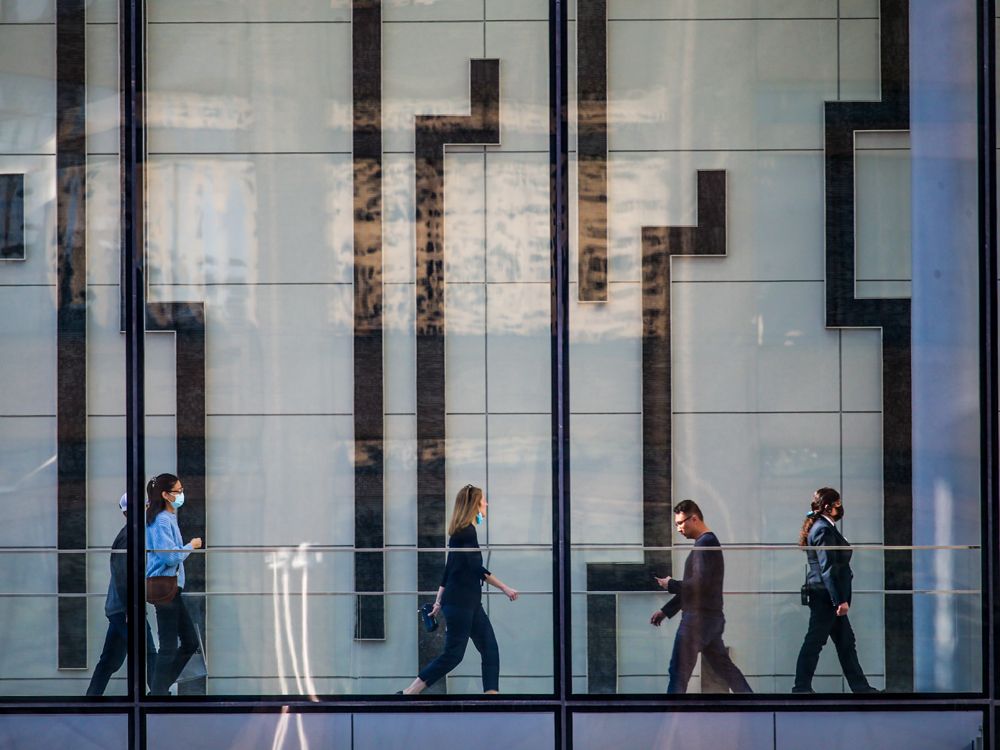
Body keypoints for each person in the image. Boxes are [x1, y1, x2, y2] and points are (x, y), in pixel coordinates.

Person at [399, 484, 518, 695]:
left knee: (490, 649)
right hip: (462, 604)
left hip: (469, 604)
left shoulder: (461, 533)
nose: (487, 504)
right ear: (475, 504)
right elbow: (476, 568)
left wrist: (437, 602)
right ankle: (410, 692)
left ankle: (491, 696)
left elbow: (449, 570)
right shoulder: (466, 533)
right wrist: (505, 588)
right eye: (483, 500)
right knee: (454, 654)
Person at [650, 499, 752, 694]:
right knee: (725, 669)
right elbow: (698, 589)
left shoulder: (704, 544)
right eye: (676, 524)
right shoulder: (707, 543)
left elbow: (698, 586)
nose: (678, 528)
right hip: (710, 618)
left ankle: (673, 714)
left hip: (697, 620)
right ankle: (751, 702)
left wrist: (670, 584)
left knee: (678, 671)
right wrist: (665, 611)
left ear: (694, 518)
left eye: (681, 523)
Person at [792, 487, 878, 693]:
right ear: (829, 507)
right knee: (815, 641)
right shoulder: (822, 529)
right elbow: (828, 568)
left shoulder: (824, 527)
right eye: (838, 504)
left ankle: (861, 688)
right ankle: (801, 687)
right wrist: (839, 600)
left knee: (846, 642)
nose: (840, 508)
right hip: (826, 597)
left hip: (826, 595)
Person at [85, 493, 157, 696]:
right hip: (125, 608)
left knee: (109, 661)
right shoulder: (130, 536)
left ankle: (91, 700)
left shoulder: (132, 533)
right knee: (148, 651)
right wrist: (130, 607)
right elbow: (122, 573)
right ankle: (160, 698)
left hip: (119, 607)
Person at [145, 473, 203, 695]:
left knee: (188, 642)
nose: (181, 495)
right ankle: (157, 693)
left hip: (172, 588)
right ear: (165, 495)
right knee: (170, 644)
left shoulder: (167, 518)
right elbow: (168, 557)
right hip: (164, 588)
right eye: (177, 491)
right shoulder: (161, 520)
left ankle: (159, 689)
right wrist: (191, 546)